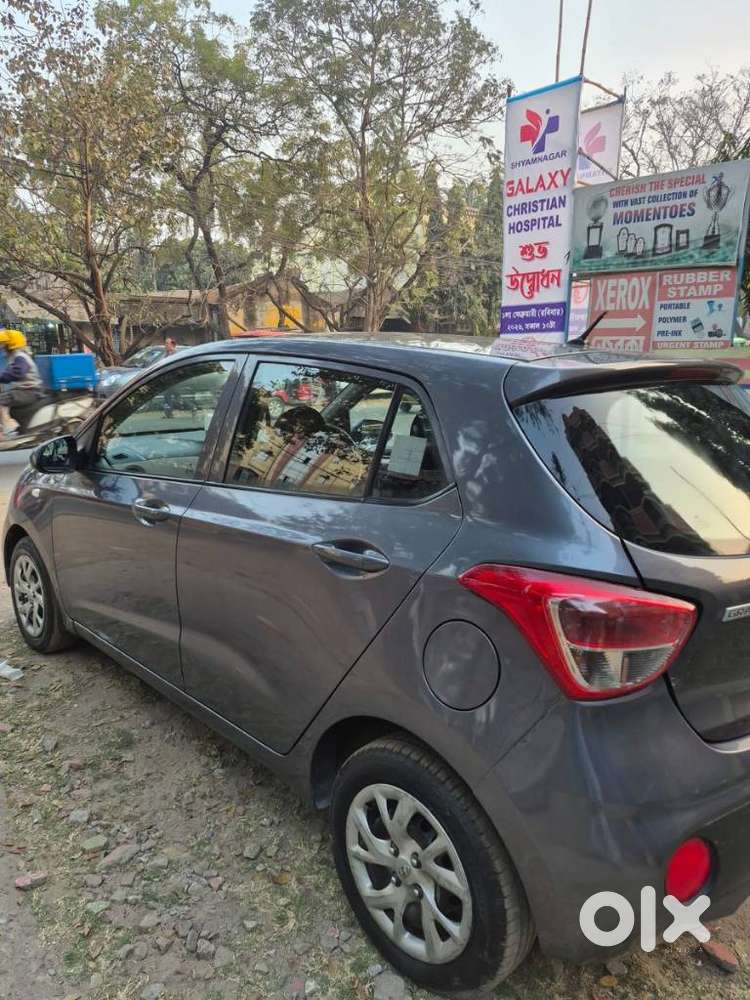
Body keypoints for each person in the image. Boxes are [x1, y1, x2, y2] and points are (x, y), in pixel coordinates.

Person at [0, 329, 44, 439]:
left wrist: (3, 377)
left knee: (2, 400)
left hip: (29, 391)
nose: (2, 347)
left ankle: (5, 431)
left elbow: (18, 373)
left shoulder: (19, 356)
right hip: (24, 390)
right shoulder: (16, 355)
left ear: (11, 345)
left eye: (4, 344)